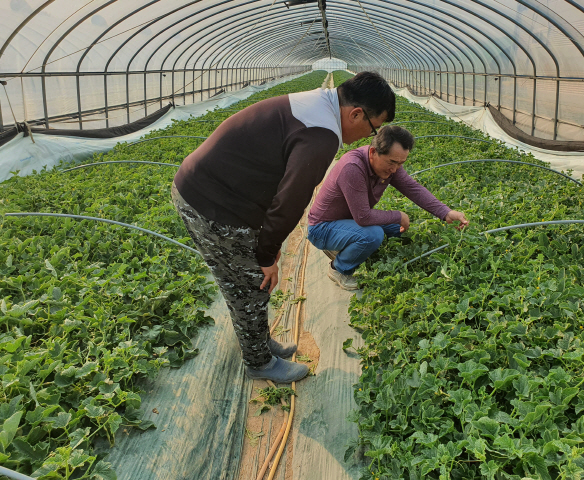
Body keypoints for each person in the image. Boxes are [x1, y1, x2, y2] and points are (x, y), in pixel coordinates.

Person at [171, 72, 396, 383]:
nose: (370, 136)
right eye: (373, 128)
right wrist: (267, 255)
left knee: (247, 280)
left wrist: (266, 251)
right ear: (356, 113)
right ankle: (259, 362)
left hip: (209, 189)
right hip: (213, 202)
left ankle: (260, 343)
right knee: (251, 284)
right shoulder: (322, 133)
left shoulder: (318, 104)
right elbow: (289, 202)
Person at [307, 125, 469, 290]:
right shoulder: (353, 168)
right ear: (373, 153)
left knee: (394, 228)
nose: (395, 169)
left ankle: (348, 245)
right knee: (373, 235)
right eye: (391, 162)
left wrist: (446, 212)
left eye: (400, 163)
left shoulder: (392, 166)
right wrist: (398, 215)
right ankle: (339, 268)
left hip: (347, 219)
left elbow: (412, 188)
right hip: (322, 228)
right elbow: (363, 217)